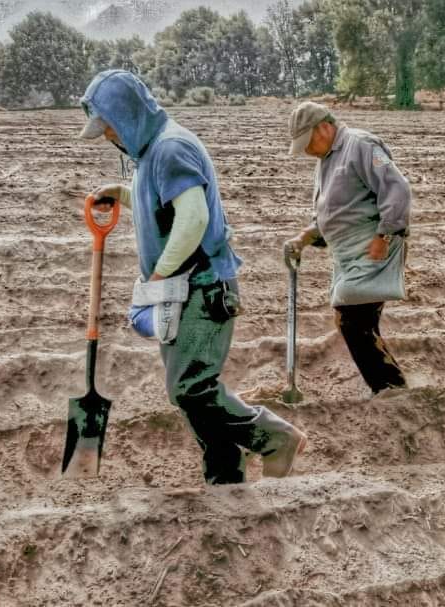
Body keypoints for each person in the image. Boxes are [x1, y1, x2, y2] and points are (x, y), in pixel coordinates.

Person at [79, 70, 306, 484]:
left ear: (127, 114)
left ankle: (273, 438)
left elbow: (194, 218)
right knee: (188, 390)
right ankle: (224, 473)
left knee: (190, 389)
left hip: (202, 288)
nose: (108, 134)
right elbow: (162, 205)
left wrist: (160, 274)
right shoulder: (151, 154)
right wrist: (122, 192)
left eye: (109, 124)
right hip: (181, 289)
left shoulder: (170, 148)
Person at [284, 102, 411, 395]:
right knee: (357, 321)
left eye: (308, 142)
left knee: (352, 319)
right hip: (348, 253)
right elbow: (336, 213)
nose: (307, 151)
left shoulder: (361, 145)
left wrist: (386, 234)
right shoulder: (327, 159)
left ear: (325, 127)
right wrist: (304, 238)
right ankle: (390, 388)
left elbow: (397, 190)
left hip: (373, 247)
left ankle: (391, 388)